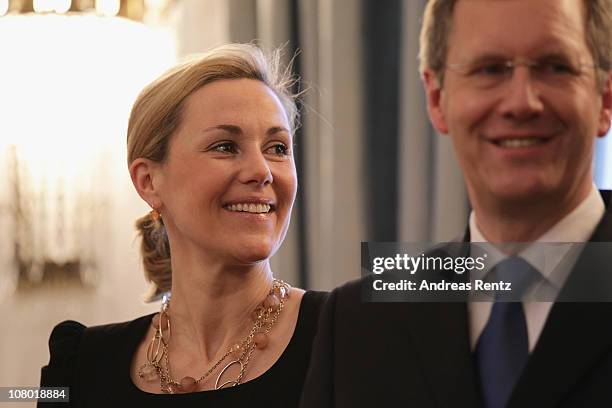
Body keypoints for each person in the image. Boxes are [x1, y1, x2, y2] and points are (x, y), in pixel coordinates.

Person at [300, 0, 612, 407]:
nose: (521, 102)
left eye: (555, 66)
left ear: (604, 97)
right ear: (435, 97)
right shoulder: (359, 319)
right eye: (489, 69)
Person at [39, 43, 326, 407]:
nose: (261, 171)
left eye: (278, 148)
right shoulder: (80, 366)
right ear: (149, 181)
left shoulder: (346, 339)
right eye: (225, 146)